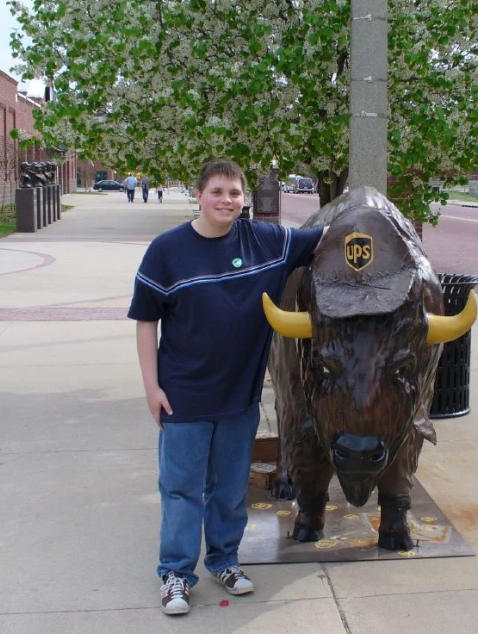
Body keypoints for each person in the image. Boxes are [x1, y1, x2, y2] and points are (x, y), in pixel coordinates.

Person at [128, 159, 326, 617]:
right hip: (184, 395)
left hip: (240, 396)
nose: (227, 201)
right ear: (199, 195)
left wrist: (375, 220)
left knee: (230, 488)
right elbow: (146, 322)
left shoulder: (267, 242)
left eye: (235, 193)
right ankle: (176, 573)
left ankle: (224, 560)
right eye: (217, 192)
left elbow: (327, 236)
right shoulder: (167, 250)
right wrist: (151, 387)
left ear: (244, 198)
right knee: (181, 489)